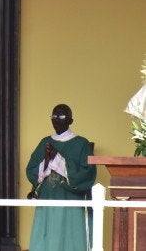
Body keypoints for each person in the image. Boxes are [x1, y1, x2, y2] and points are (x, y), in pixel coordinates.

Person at [26, 104, 96, 251]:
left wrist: (58, 159)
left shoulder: (81, 143)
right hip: (48, 198)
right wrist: (46, 162)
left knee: (70, 239)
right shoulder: (44, 142)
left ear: (71, 120)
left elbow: (87, 173)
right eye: (54, 116)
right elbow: (32, 170)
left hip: (70, 200)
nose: (56, 119)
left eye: (61, 116)